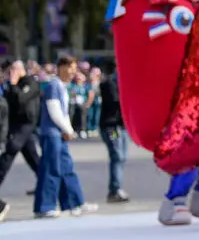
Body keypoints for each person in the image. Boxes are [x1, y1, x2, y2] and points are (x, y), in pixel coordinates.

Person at [32, 58, 90, 218]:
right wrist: (68, 129)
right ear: (61, 67)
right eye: (70, 68)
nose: (73, 72)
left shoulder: (62, 87)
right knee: (51, 170)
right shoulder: (53, 85)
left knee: (66, 168)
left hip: (59, 134)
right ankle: (45, 206)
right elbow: (55, 111)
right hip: (52, 134)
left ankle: (74, 203)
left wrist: (67, 130)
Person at [0, 60, 41, 222]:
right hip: (16, 127)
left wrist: (14, 83)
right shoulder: (10, 85)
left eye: (14, 69)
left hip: (25, 125)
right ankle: (49, 185)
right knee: (35, 161)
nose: (12, 73)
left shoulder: (30, 83)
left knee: (7, 156)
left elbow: (21, 100)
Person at [96, 61, 128, 203]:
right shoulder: (109, 83)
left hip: (121, 126)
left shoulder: (123, 83)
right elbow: (115, 101)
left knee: (122, 157)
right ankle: (115, 190)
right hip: (111, 126)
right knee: (117, 155)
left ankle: (117, 187)